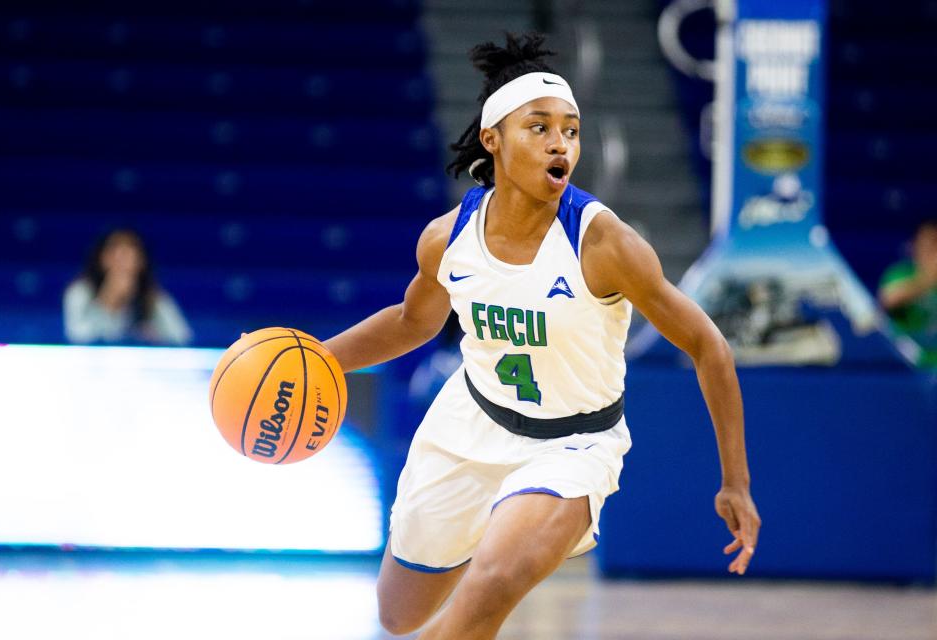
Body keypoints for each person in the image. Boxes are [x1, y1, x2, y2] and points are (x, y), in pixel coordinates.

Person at [323, 33, 760, 639]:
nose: (561, 143)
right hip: (470, 424)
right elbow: (412, 322)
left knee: (491, 585)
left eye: (572, 129)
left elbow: (709, 345)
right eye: (540, 126)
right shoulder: (447, 239)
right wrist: (318, 358)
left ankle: (514, 533)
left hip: (572, 445)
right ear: (492, 139)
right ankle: (488, 527)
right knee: (400, 616)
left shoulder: (605, 244)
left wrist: (735, 479)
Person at [63, 228, 192, 346]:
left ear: (141, 262)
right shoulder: (80, 293)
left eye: (129, 256)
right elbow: (76, 336)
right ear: (102, 259)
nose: (122, 265)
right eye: (116, 257)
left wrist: (157, 338)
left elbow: (182, 338)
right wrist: (109, 301)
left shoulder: (154, 299)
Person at [878, 219, 937, 368]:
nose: (932, 252)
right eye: (927, 245)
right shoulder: (900, 274)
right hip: (910, 364)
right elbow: (887, 300)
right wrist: (928, 279)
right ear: (914, 246)